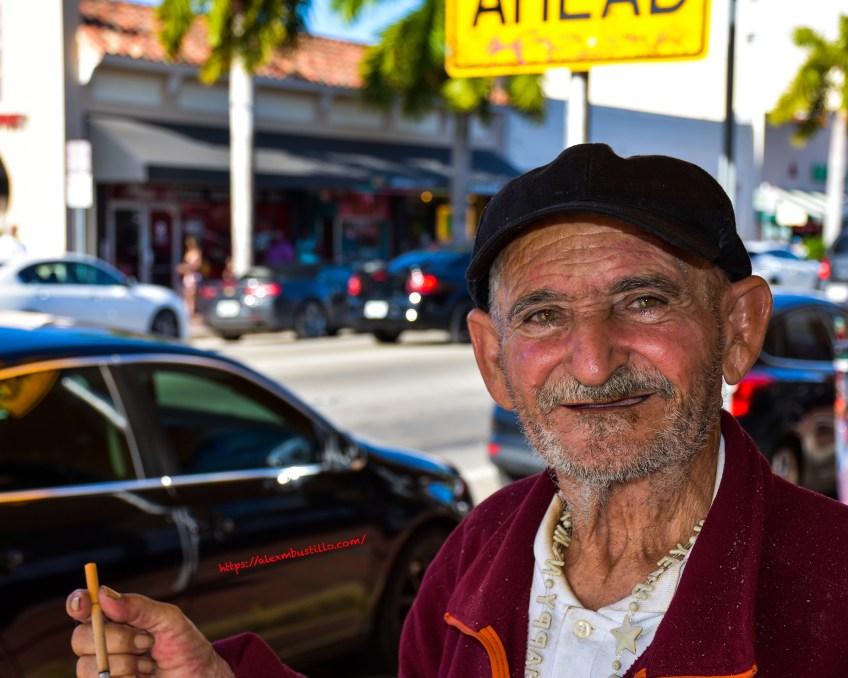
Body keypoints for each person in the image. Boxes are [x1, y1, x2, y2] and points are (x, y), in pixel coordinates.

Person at [66, 144, 848, 677]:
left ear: (738, 329)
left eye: (642, 301)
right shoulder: (481, 546)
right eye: (542, 316)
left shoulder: (831, 588)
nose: (592, 359)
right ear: (493, 359)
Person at [177, 236, 203, 317]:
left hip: (192, 276)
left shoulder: (196, 252)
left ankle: (191, 313)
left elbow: (195, 265)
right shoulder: (188, 252)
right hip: (187, 276)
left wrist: (184, 268)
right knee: (186, 295)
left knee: (191, 296)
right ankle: (188, 313)